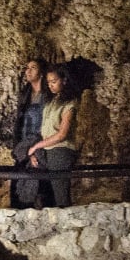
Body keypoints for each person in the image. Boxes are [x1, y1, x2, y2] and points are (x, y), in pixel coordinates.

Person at [27, 65, 79, 208]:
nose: (50, 85)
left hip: (60, 150)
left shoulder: (70, 104)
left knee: (60, 194)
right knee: (43, 191)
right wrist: (36, 151)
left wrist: (36, 146)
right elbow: (44, 130)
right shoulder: (51, 102)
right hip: (46, 150)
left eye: (54, 81)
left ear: (64, 81)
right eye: (48, 82)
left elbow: (62, 134)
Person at [10, 58, 52, 208]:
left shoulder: (48, 96)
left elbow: (47, 125)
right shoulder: (25, 95)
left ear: (41, 73)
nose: (28, 71)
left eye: (33, 67)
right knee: (18, 187)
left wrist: (35, 150)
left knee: (41, 189)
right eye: (27, 68)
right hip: (23, 146)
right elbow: (19, 123)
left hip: (41, 146)